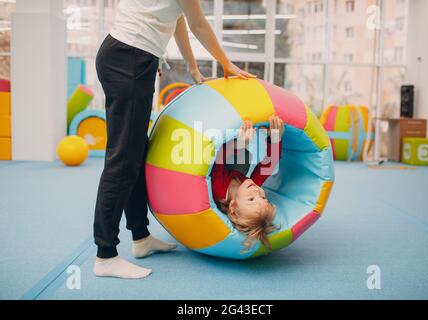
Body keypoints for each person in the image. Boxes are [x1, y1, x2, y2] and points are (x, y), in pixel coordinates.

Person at [93, 0, 256, 279]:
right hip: (130, 59)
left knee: (135, 154)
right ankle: (105, 255)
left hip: (129, 58)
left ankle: (141, 237)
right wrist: (226, 63)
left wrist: (193, 67)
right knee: (122, 162)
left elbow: (178, 20)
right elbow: (199, 25)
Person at [210, 116, 285, 253]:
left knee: (242, 156)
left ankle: (239, 139)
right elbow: (268, 165)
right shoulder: (250, 187)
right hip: (232, 168)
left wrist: (238, 145)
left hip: (217, 162)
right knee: (243, 158)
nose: (258, 193)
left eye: (251, 199)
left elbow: (217, 159)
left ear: (232, 206)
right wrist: (274, 140)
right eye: (264, 198)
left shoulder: (218, 190)